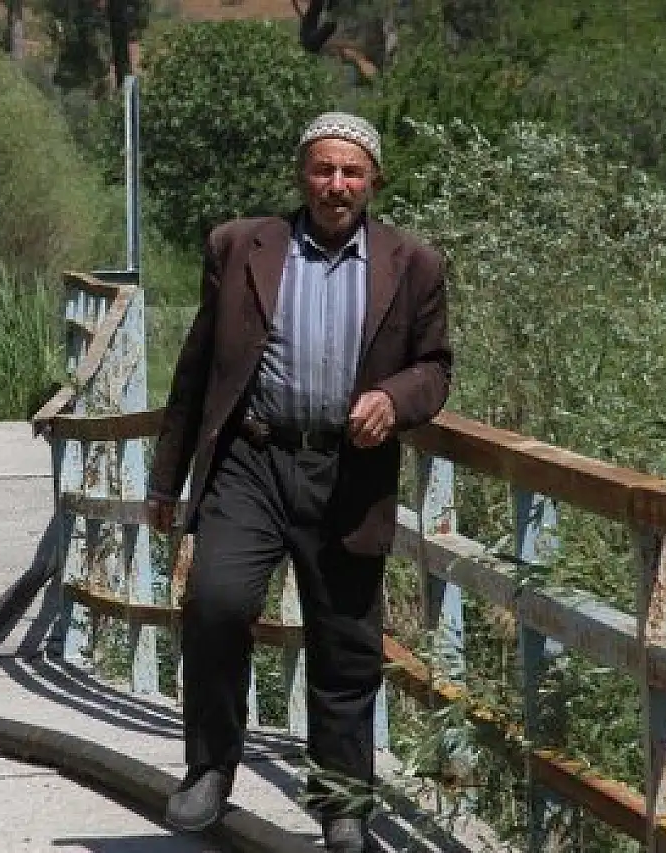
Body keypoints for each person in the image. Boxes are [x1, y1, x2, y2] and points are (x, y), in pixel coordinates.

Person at [146, 112, 451, 852]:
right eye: (323, 169)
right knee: (216, 603)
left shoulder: (413, 262)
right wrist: (166, 479)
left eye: (351, 172)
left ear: (374, 180)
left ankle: (341, 805)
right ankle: (210, 768)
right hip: (250, 460)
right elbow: (197, 369)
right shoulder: (240, 246)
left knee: (345, 642)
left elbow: (435, 366)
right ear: (301, 175)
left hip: (347, 471)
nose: (336, 185)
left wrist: (394, 400)